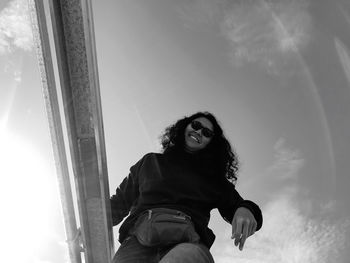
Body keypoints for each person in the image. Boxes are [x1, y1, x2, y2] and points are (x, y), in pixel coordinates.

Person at [110, 111, 263, 263]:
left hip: (187, 244)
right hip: (138, 240)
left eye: (207, 132)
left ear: (211, 142)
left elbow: (239, 205)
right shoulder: (151, 162)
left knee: (187, 256)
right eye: (196, 125)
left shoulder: (212, 179)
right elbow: (118, 203)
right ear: (185, 127)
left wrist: (246, 209)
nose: (198, 132)